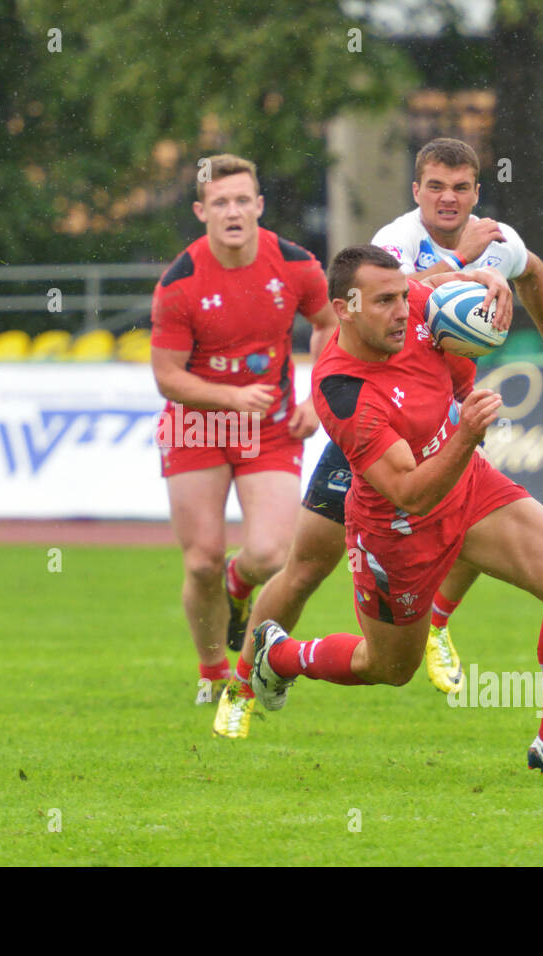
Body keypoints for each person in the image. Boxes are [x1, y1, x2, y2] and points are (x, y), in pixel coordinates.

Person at [213, 137, 543, 738]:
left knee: (482, 533)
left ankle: (437, 623)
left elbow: (533, 271)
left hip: (442, 418)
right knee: (306, 567)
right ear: (417, 191)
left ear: (475, 193)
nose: (448, 197)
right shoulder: (395, 244)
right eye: (436, 186)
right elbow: (355, 315)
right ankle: (244, 680)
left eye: (460, 187)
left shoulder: (496, 239)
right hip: (375, 434)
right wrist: (459, 268)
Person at [248, 245, 543, 778]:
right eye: (385, 301)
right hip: (397, 530)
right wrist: (466, 432)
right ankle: (279, 657)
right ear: (344, 308)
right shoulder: (342, 389)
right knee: (390, 667)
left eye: (402, 295)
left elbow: (445, 277)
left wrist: (487, 278)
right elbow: (409, 492)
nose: (403, 310)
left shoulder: (417, 305)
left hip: (467, 487)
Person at [150, 154, 337, 723]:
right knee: (202, 559)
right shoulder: (180, 282)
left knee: (269, 554)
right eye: (220, 202)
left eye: (242, 200)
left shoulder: (298, 265)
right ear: (201, 211)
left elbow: (331, 324)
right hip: (197, 425)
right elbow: (167, 376)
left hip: (271, 428)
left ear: (259, 206)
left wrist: (315, 400)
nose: (232, 211)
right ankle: (212, 672)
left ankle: (241, 581)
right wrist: (230, 398)